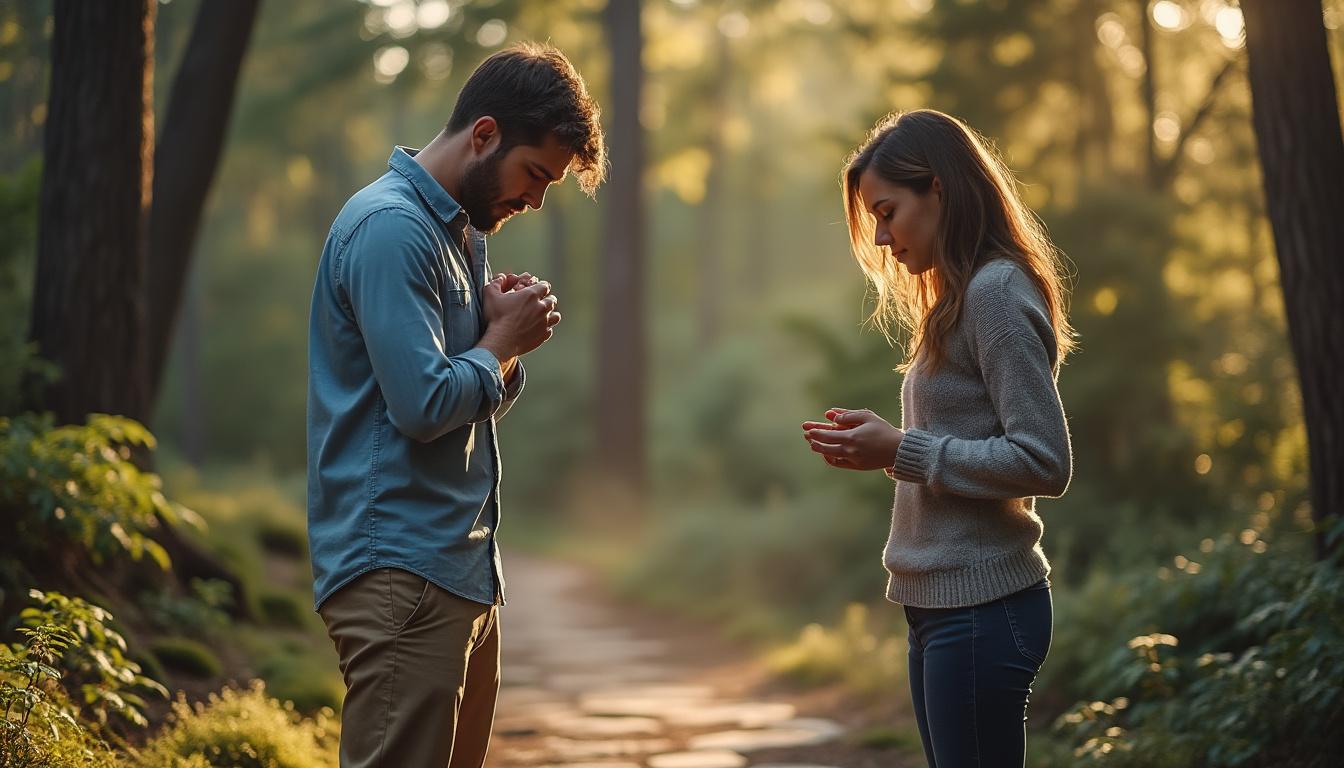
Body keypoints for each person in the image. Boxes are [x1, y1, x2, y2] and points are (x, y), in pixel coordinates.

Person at [306, 43, 604, 768]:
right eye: (535, 174)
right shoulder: (393, 228)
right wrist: (501, 341)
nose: (535, 200)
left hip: (453, 572)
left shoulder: (456, 235)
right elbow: (423, 403)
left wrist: (500, 341)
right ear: (484, 134)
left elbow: (452, 397)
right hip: (399, 572)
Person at [801, 109, 1076, 767]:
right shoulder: (955, 298)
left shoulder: (996, 293)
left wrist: (901, 450)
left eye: (888, 211)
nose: (882, 236)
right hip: (938, 606)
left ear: (940, 189)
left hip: (985, 606)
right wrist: (889, 447)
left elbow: (1044, 460)